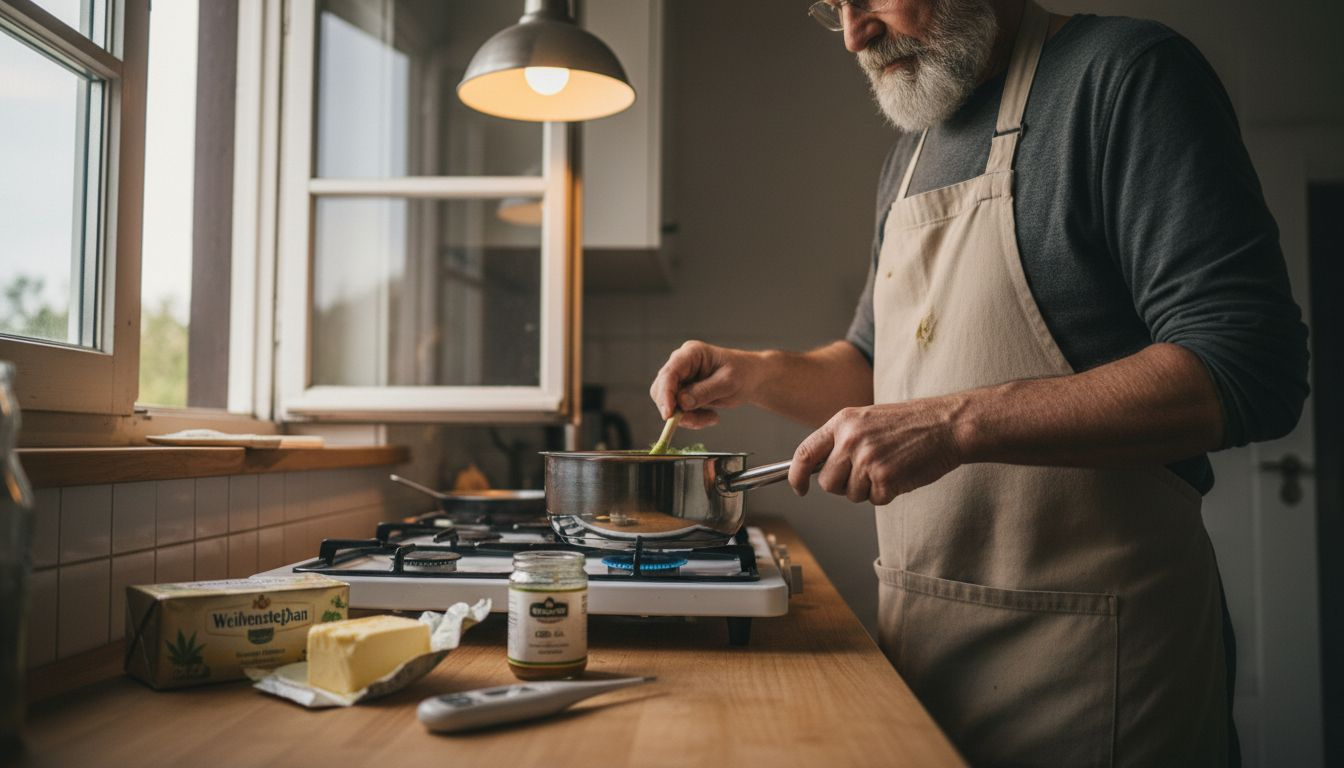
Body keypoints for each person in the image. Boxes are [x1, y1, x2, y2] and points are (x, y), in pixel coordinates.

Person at [648, 0, 1309, 765]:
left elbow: (1250, 364)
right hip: (928, 658)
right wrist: (755, 373)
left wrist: (957, 425)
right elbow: (879, 370)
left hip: (1101, 673)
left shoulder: (1126, 76)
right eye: (836, 8)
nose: (858, 33)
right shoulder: (913, 152)